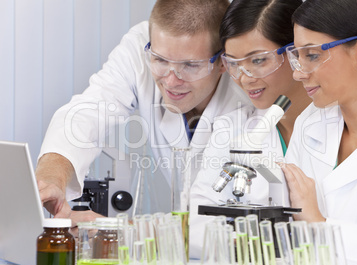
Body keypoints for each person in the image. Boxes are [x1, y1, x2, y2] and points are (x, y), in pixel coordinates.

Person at [35, 0, 251, 219]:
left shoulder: (249, 90)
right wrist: (52, 177)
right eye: (160, 60)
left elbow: (216, 217)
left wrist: (114, 230)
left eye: (190, 65)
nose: (171, 81)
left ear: (223, 62)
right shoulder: (141, 46)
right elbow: (87, 113)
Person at [282, 0, 357, 265]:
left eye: (311, 55)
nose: (298, 73)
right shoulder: (310, 123)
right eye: (296, 55)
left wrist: (319, 225)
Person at [188, 0, 311, 258]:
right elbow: (197, 222)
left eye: (258, 60)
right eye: (234, 63)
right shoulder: (231, 128)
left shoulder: (336, 126)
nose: (245, 78)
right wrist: (248, 245)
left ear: (295, 52)